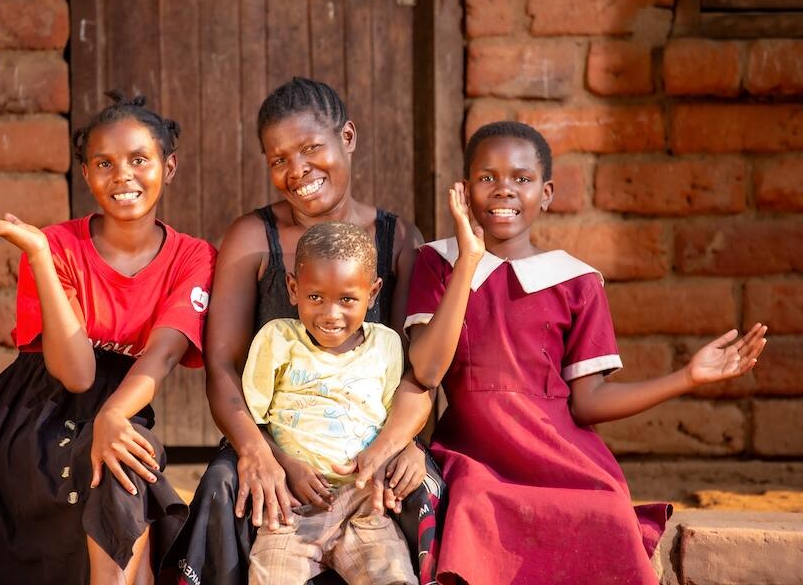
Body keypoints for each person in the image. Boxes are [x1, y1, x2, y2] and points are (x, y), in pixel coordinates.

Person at [405, 121, 769, 585]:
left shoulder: (576, 281)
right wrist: (469, 261)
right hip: (477, 455)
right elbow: (427, 369)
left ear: (547, 193)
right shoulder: (437, 262)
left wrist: (688, 377)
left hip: (562, 454)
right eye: (487, 177)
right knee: (473, 505)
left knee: (608, 510)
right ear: (464, 189)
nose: (504, 190)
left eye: (522, 179)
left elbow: (588, 401)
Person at [167, 78, 442, 585]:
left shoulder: (398, 238)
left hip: (373, 437)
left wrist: (402, 443)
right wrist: (260, 452)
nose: (297, 171)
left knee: (418, 484)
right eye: (279, 160)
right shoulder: (253, 238)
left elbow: (414, 369)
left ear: (349, 137)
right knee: (229, 481)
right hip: (274, 435)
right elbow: (222, 365)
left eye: (312, 148)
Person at [0, 93, 217, 585]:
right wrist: (37, 253)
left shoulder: (192, 257)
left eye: (140, 159)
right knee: (126, 462)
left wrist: (114, 415)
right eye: (104, 163)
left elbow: (159, 357)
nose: (123, 175)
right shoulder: (56, 245)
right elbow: (77, 373)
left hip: (125, 394)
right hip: (38, 406)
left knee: (127, 458)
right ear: (86, 173)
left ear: (170, 165)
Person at [243, 221, 417, 585]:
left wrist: (408, 447)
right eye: (316, 297)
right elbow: (254, 422)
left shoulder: (385, 346)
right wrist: (288, 465)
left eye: (348, 299)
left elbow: (394, 418)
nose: (330, 314)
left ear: (373, 293)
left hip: (363, 503)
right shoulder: (277, 340)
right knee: (271, 577)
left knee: (392, 575)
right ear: (293, 289)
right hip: (293, 505)